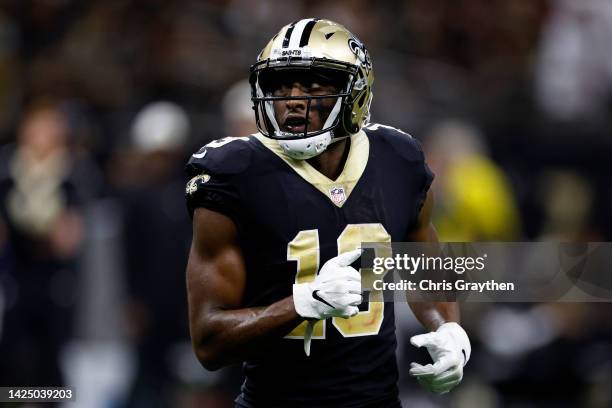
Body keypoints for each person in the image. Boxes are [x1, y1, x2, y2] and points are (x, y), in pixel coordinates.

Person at [185, 19, 470, 407]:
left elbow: (424, 266)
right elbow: (208, 341)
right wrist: (304, 303)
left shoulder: (398, 159)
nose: (293, 99)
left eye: (313, 84)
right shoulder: (234, 174)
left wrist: (448, 328)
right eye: (281, 84)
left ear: (354, 92)